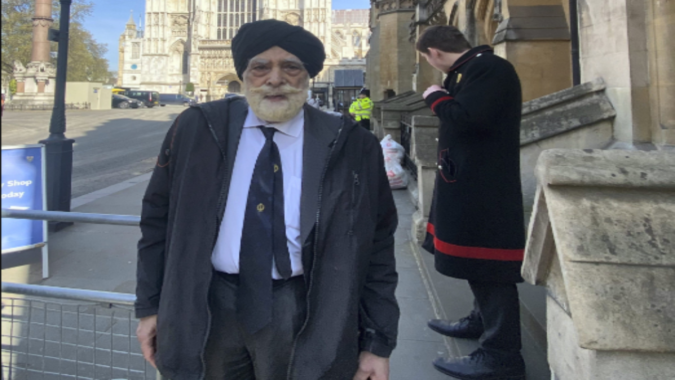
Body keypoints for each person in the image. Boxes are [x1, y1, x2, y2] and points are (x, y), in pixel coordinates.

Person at [135, 19, 399, 380]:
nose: (275, 79)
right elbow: (156, 221)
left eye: (291, 67)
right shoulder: (196, 128)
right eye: (260, 67)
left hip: (305, 310)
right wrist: (150, 306)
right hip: (208, 307)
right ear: (244, 75)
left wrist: (377, 341)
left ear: (308, 76)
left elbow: (378, 245)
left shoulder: (352, 144)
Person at [416, 25, 526, 380]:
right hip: (469, 185)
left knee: (491, 268)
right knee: (476, 264)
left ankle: (501, 355)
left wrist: (435, 96)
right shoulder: (472, 69)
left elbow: (467, 118)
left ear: (432, 53)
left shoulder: (489, 68)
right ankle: (481, 321)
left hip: (485, 190)